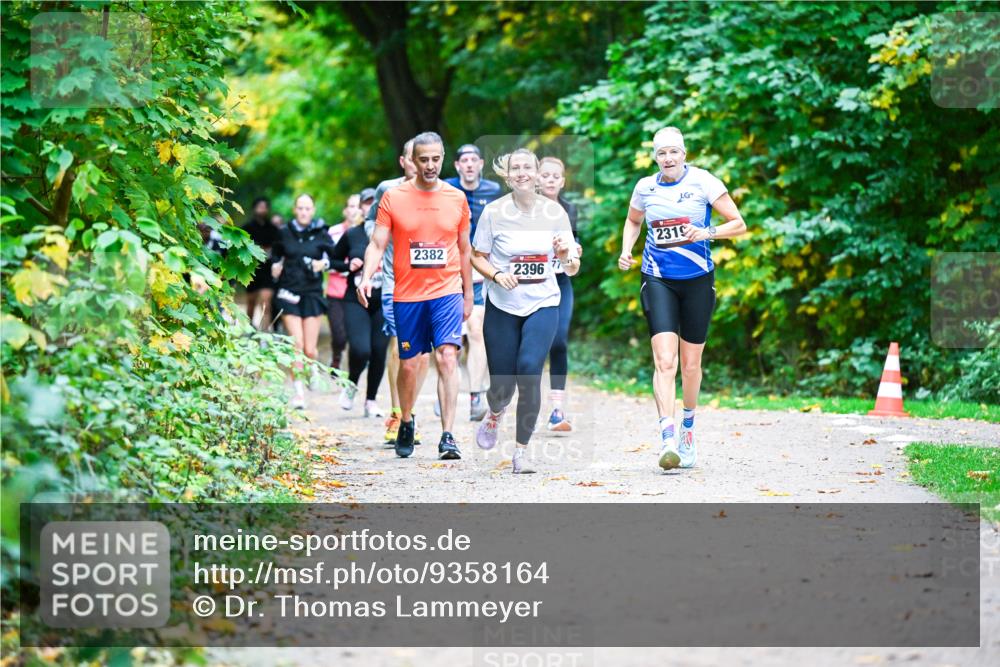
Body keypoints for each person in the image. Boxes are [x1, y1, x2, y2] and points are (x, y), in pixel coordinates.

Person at [618, 127, 747, 470]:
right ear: (655, 157)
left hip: (697, 281)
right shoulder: (645, 187)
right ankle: (667, 437)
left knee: (690, 366)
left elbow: (739, 223)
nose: (668, 158)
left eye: (674, 152)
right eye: (662, 153)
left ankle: (688, 427)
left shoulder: (704, 182)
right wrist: (626, 249)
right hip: (657, 278)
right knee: (665, 361)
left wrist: (707, 232)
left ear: (684, 154)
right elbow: (633, 221)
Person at [358, 131, 473, 460]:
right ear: (412, 160)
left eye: (436, 159)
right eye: (424, 159)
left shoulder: (456, 198)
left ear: (443, 158)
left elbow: (464, 250)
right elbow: (378, 243)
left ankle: (448, 435)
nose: (430, 165)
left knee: (447, 357)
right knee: (410, 365)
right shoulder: (394, 197)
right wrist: (367, 277)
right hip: (407, 293)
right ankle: (406, 419)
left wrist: (467, 294)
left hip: (446, 290)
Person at [471, 149, 579, 474]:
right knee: (502, 386)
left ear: (535, 173)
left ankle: (522, 452)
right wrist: (496, 275)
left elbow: (572, 267)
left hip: (544, 301)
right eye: (515, 168)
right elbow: (477, 256)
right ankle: (495, 412)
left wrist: (565, 256)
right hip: (503, 304)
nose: (521, 173)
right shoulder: (493, 212)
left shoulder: (555, 212)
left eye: (527, 168)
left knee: (530, 370)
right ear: (507, 176)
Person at [365, 140, 427, 446]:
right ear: (404, 161)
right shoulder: (386, 190)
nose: (421, 165)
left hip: (430, 283)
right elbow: (370, 227)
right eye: (414, 159)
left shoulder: (439, 192)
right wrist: (384, 237)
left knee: (423, 351)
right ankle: (397, 413)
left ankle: (410, 412)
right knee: (399, 345)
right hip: (395, 279)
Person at [445, 144, 503, 421]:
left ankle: (476, 396)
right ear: (457, 166)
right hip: (448, 273)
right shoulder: (446, 189)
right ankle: (448, 387)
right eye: (463, 161)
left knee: (477, 330)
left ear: (481, 163)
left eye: (473, 160)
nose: (469, 165)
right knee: (449, 338)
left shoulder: (493, 191)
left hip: (480, 272)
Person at [271, 194, 336, 409]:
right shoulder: (284, 232)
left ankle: (312, 366)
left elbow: (335, 258)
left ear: (313, 210)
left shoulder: (321, 233)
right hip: (289, 293)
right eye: (300, 208)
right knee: (296, 344)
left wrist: (323, 264)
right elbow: (275, 255)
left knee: (310, 350)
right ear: (294, 209)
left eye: (308, 208)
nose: (304, 212)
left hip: (312, 294)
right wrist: (275, 265)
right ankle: (298, 392)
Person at [330, 204, 389, 418]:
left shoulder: (392, 234)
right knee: (361, 349)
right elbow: (333, 261)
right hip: (355, 299)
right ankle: (352, 383)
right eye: (367, 203)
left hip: (383, 299)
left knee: (379, 351)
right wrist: (349, 266)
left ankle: (371, 401)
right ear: (364, 210)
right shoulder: (353, 234)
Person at [538, 157, 582, 433]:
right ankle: (523, 405)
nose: (552, 179)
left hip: (562, 282)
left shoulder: (569, 210)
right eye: (546, 175)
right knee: (529, 348)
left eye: (557, 176)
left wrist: (575, 251)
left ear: (563, 181)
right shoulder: (524, 209)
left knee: (559, 341)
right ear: (537, 179)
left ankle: (557, 409)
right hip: (532, 285)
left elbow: (577, 246)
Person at [326, 195, 361, 373]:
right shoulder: (333, 232)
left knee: (354, 334)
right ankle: (336, 357)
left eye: (357, 206)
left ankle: (353, 367)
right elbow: (327, 262)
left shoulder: (368, 232)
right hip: (336, 291)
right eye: (351, 206)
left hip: (358, 291)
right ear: (345, 210)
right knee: (339, 334)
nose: (354, 210)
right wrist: (349, 268)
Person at [242, 197, 279, 330]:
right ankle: (250, 328)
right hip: (251, 270)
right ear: (254, 209)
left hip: (267, 270)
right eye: (259, 207)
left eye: (264, 207)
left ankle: (264, 332)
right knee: (251, 302)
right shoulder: (246, 228)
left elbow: (277, 248)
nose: (262, 210)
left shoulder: (274, 229)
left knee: (266, 303)